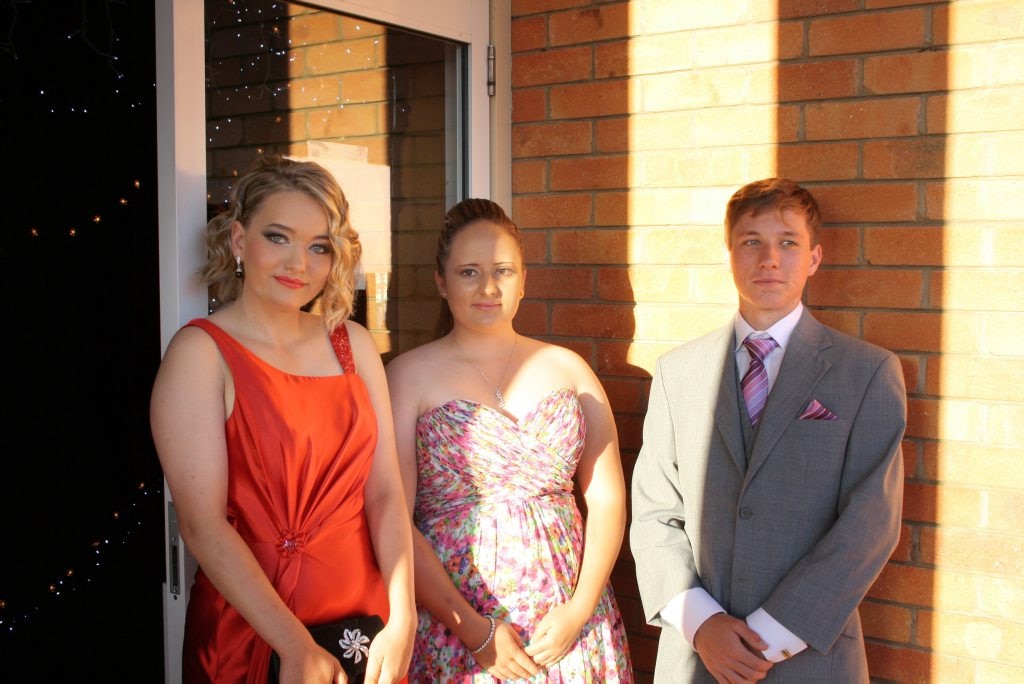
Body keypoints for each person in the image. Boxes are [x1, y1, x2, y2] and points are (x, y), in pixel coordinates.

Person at [150, 155, 415, 684]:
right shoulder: (200, 353)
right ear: (238, 240)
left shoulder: (353, 345)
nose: (300, 263)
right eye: (278, 237)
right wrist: (295, 647)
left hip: (366, 625)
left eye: (319, 246)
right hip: (253, 631)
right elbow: (202, 527)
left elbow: (385, 492)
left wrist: (404, 615)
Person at [630, 178, 906, 683]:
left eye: (788, 242)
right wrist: (702, 622)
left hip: (811, 657)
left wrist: (771, 634)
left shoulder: (866, 372)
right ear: (730, 254)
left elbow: (871, 523)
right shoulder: (677, 372)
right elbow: (653, 513)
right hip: (697, 655)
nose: (769, 259)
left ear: (815, 257)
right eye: (751, 242)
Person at [385, 198, 633, 682]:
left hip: (571, 629)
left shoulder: (569, 368)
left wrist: (579, 610)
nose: (489, 288)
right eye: (469, 272)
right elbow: (392, 515)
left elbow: (607, 499)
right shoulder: (407, 377)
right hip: (460, 631)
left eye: (503, 270)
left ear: (524, 279)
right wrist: (473, 630)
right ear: (441, 280)